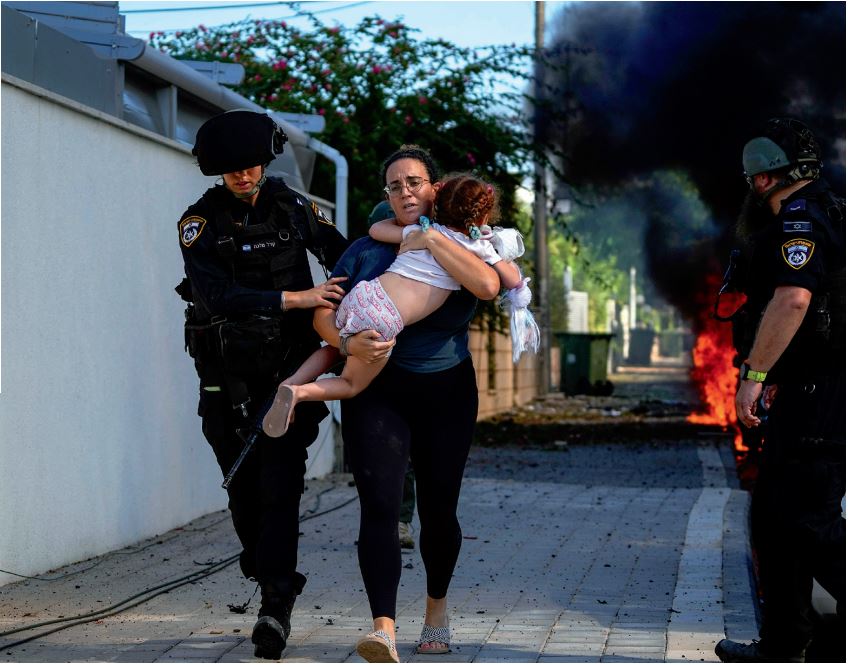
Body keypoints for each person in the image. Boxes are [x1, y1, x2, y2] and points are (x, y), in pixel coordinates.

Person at [305, 145, 504, 662]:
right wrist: (348, 345)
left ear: (434, 188)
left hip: (447, 390)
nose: (405, 192)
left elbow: (493, 285)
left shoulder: (464, 242)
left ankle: (436, 613)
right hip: (379, 391)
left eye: (414, 181)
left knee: (440, 511)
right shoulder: (366, 251)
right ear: (387, 195)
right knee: (380, 507)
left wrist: (436, 240)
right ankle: (383, 629)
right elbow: (323, 318)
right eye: (394, 185)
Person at [176, 110, 349, 660]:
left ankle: (275, 606)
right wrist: (298, 299)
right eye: (231, 171)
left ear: (264, 161)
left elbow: (343, 254)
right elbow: (217, 297)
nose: (243, 177)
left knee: (280, 487)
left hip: (288, 376)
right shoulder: (198, 224)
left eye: (250, 166)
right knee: (242, 490)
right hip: (225, 378)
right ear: (216, 172)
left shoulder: (293, 206)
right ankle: (264, 566)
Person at [714, 118, 845, 663]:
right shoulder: (826, 209)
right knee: (774, 515)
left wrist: (755, 375)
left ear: (763, 180)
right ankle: (785, 642)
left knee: (807, 520)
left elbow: (793, 300)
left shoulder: (801, 218)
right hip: (809, 391)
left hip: (821, 394)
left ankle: (790, 640)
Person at [260, 173, 522, 438]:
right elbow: (511, 280)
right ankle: (300, 393)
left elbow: (376, 230)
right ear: (483, 218)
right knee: (351, 384)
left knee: (335, 349)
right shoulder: (476, 247)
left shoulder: (424, 231)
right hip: (385, 318)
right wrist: (494, 248)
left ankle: (291, 382)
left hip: (365, 295)